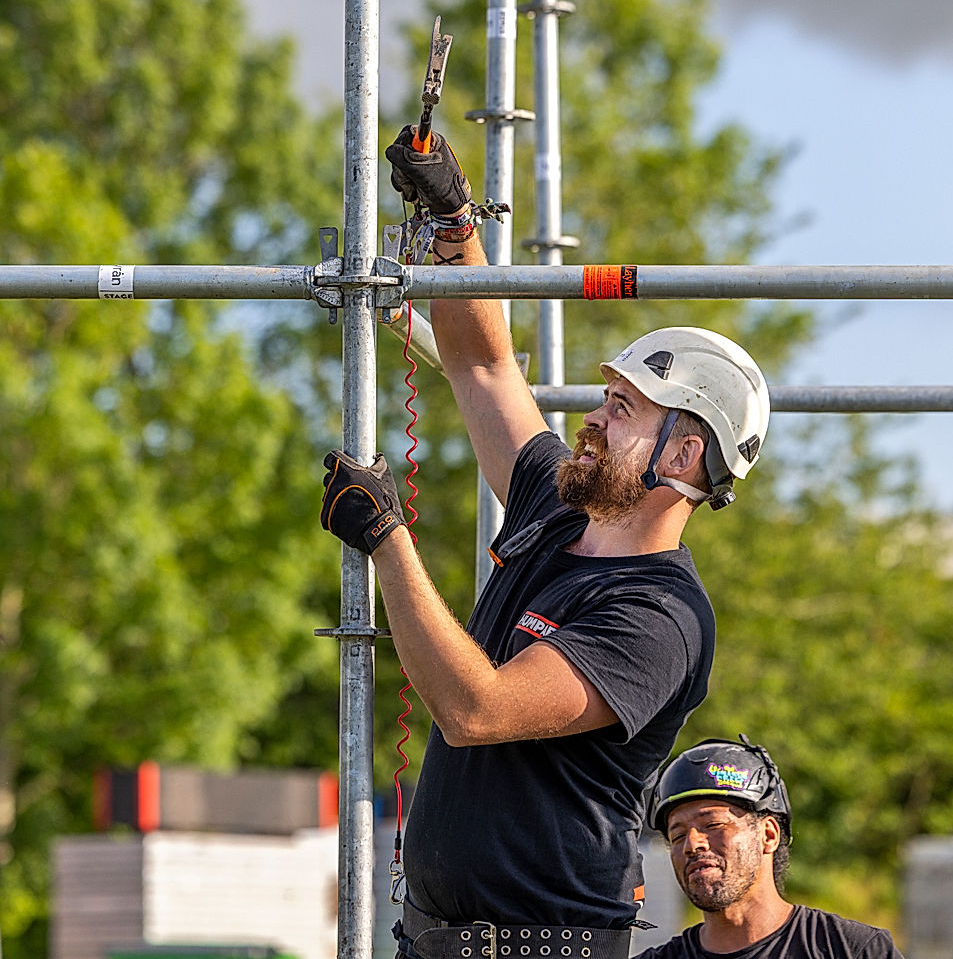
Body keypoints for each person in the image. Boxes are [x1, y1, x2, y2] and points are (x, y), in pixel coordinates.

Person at [319, 125, 771, 959]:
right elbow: (485, 369)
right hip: (433, 940)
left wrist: (390, 541)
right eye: (607, 396)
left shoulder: (660, 617)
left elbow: (476, 710)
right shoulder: (560, 507)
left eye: (625, 409)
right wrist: (458, 227)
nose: (593, 419)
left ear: (683, 456)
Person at [640, 736, 906, 959]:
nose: (692, 844)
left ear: (769, 834)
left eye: (713, 824)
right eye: (677, 835)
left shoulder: (854, 950)